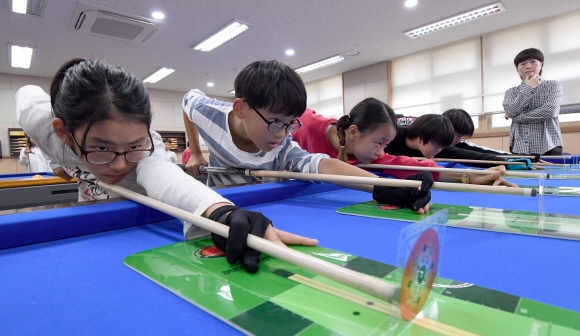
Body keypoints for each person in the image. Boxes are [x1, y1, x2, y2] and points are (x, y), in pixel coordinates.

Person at [16, 58, 316, 273]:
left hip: (144, 220)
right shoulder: (41, 123)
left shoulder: (150, 150)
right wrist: (59, 161)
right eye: (101, 147)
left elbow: (164, 176)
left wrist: (223, 212)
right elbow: (25, 93)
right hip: (94, 217)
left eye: (133, 146)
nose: (120, 164)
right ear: (64, 133)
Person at [183, 60, 433, 214]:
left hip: (260, 212)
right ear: (240, 108)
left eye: (290, 123)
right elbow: (187, 100)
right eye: (274, 121)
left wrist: (387, 188)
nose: (282, 134)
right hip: (216, 208)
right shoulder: (209, 113)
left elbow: (322, 165)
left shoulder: (283, 147)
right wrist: (194, 151)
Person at [292, 98, 515, 186]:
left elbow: (411, 166)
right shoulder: (304, 126)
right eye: (378, 143)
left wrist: (470, 176)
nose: (381, 152)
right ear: (353, 132)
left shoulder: (368, 155)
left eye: (385, 146)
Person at [385, 114, 519, 169]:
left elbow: (463, 154)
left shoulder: (434, 144)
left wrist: (506, 162)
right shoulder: (389, 135)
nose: (439, 150)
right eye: (438, 146)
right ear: (420, 139)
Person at [503, 48, 563, 156]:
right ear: (518, 68)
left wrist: (516, 117)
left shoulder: (553, 85)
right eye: (523, 63)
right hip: (518, 146)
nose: (528, 66)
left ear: (541, 64)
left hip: (548, 145)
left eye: (533, 62)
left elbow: (550, 111)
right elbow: (510, 111)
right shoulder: (511, 91)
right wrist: (529, 87)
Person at [442, 109, 510, 155]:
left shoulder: (462, 144)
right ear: (446, 129)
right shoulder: (436, 146)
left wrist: (512, 157)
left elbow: (485, 151)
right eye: (457, 135)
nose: (459, 140)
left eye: (462, 136)